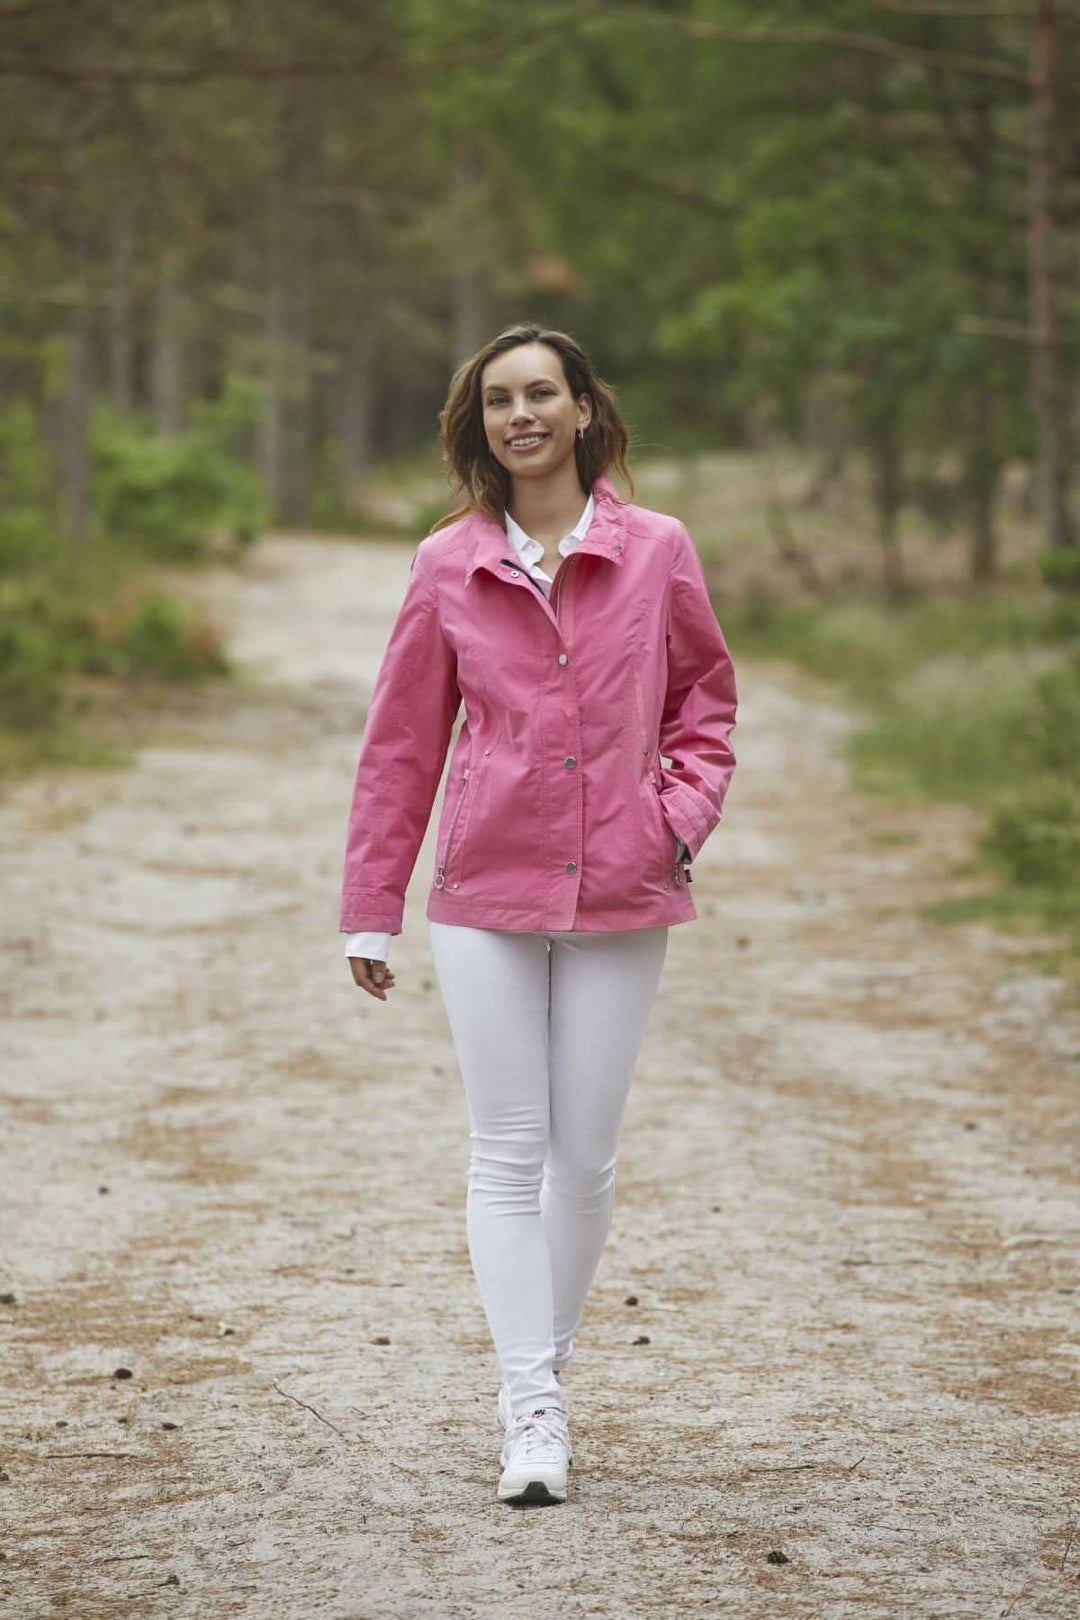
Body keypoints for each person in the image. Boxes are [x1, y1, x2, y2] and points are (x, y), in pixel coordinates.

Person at [339, 322, 738, 1506]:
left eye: (542, 394)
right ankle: (533, 1407)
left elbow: (706, 701)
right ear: (482, 425)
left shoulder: (658, 549)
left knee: (585, 1156)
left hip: (625, 885)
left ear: (580, 410)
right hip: (486, 892)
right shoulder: (446, 563)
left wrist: (674, 818)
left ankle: (540, 1374)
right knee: (508, 1152)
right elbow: (402, 744)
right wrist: (373, 907)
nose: (522, 414)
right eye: (501, 398)